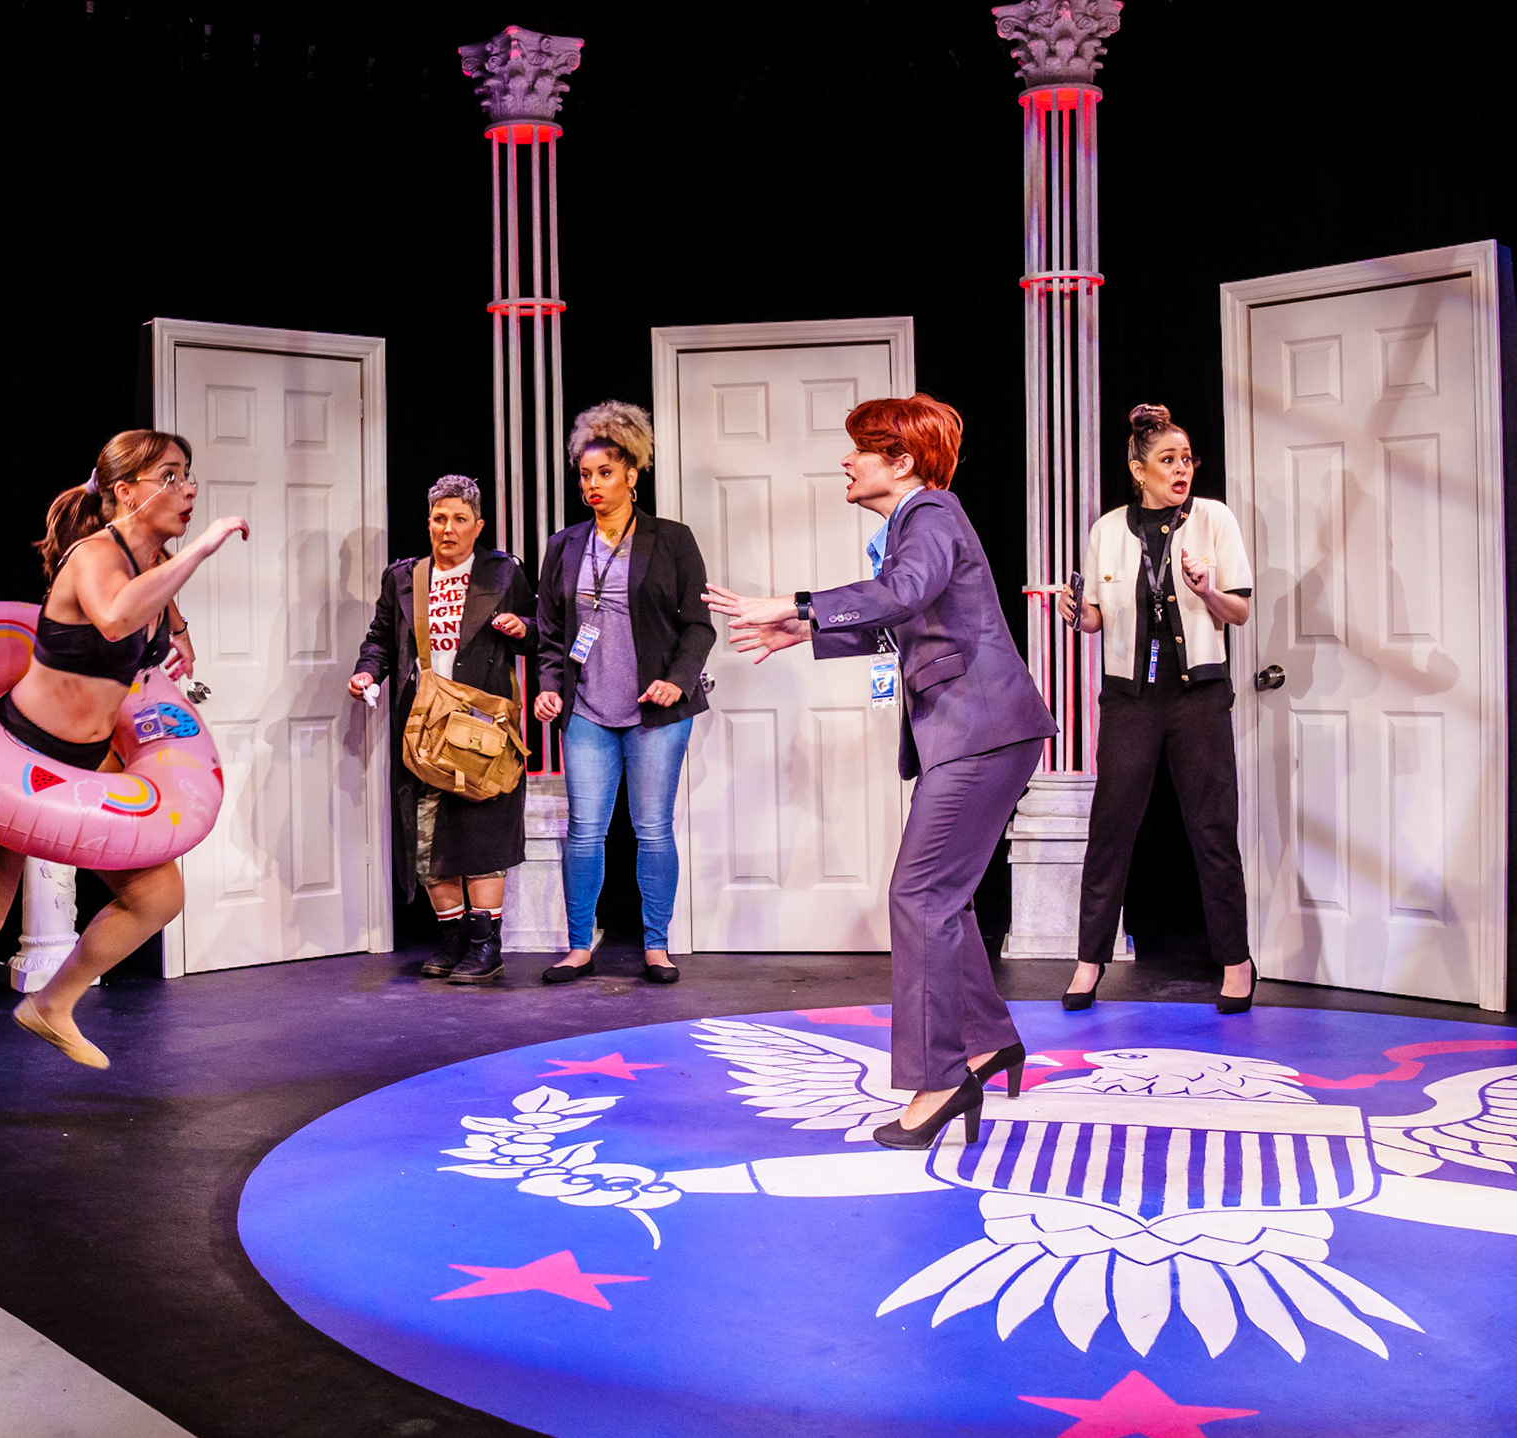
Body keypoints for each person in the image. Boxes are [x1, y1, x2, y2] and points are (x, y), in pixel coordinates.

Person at [0, 430, 249, 1121]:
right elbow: (116, 615)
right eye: (170, 476)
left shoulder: (153, 560)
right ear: (125, 491)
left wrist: (180, 632)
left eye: (189, 475)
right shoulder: (93, 556)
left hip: (92, 760)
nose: (187, 490)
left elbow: (155, 612)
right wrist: (207, 547)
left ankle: (52, 1003)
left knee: (157, 898)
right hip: (14, 752)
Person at [704, 394, 1055, 1149]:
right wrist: (804, 633)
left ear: (901, 460)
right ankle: (988, 1041)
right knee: (942, 896)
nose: (846, 460)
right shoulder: (918, 522)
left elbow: (901, 595)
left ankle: (941, 1080)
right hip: (981, 730)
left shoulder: (930, 513)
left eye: (860, 448)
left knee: (919, 894)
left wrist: (791, 602)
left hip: (981, 729)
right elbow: (914, 618)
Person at [1058, 403, 1257, 1013]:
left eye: (1187, 459)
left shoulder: (1214, 519)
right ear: (1138, 469)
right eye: (1168, 460)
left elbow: (1239, 612)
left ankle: (1236, 961)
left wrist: (1207, 591)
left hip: (1197, 696)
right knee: (1111, 828)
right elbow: (1096, 619)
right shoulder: (1107, 530)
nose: (1182, 469)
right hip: (1131, 698)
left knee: (1213, 828)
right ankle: (1089, 960)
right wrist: (1076, 613)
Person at [534, 402, 714, 985]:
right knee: (584, 830)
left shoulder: (671, 540)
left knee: (652, 828)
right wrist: (549, 688)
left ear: (632, 474)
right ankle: (578, 945)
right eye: (585, 475)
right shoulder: (565, 546)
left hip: (654, 712)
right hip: (587, 710)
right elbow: (551, 634)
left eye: (605, 473)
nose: (592, 484)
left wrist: (677, 679)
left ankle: (657, 946)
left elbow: (699, 626)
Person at [349, 475, 537, 983]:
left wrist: (524, 628)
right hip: (424, 725)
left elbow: (541, 630)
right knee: (428, 834)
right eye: (439, 518)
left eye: (459, 519)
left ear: (478, 525)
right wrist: (368, 672)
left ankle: (486, 945)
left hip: (483, 723)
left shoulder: (503, 573)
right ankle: (453, 939)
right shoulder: (405, 577)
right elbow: (381, 638)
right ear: (428, 522)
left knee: (482, 831)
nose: (448, 528)